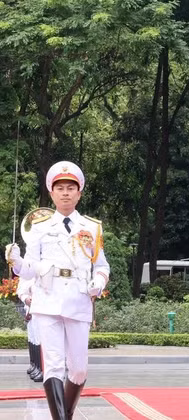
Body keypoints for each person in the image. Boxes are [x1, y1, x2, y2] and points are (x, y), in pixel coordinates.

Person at [6, 161, 110, 419]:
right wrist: (16, 262)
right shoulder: (39, 227)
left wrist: (99, 283)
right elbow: (29, 269)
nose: (65, 193)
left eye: (70, 188)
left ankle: (66, 415)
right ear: (51, 194)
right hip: (48, 299)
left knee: (79, 370)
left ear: (79, 193)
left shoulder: (91, 227)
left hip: (79, 298)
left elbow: (101, 265)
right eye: (60, 188)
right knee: (53, 366)